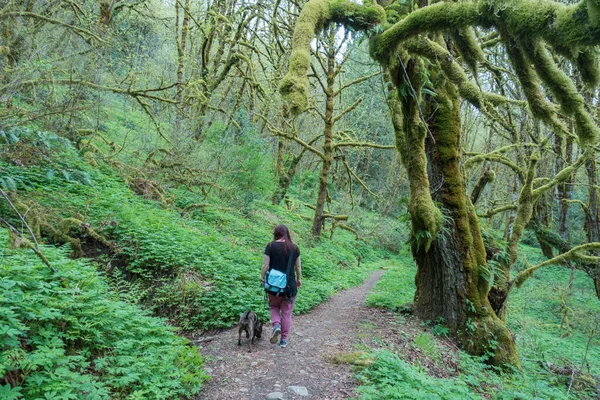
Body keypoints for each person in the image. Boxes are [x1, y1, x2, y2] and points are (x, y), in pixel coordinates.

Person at [261, 224, 302, 348]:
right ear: (287, 233)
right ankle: (283, 340)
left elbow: (265, 265)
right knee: (286, 313)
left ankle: (276, 325)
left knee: (273, 306)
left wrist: (262, 278)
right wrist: (298, 279)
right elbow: (298, 267)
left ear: (275, 234)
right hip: (289, 286)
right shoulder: (294, 248)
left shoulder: (270, 246)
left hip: (273, 286)